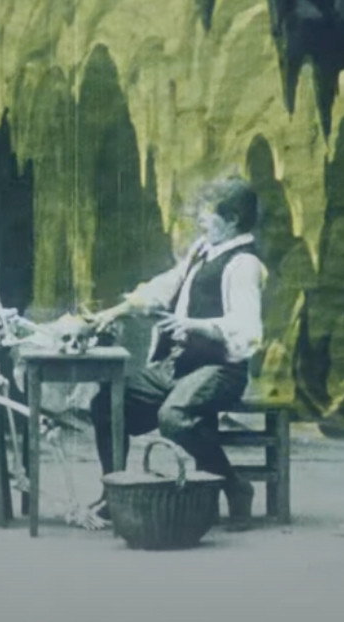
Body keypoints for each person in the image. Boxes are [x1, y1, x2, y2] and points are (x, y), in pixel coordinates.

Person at [90, 177, 267, 530]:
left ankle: (234, 486)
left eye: (207, 212)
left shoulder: (243, 264)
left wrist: (194, 325)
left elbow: (247, 330)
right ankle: (115, 492)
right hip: (180, 365)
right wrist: (116, 311)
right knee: (107, 404)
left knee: (174, 417)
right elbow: (165, 285)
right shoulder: (203, 250)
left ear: (232, 219)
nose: (199, 219)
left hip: (221, 369)